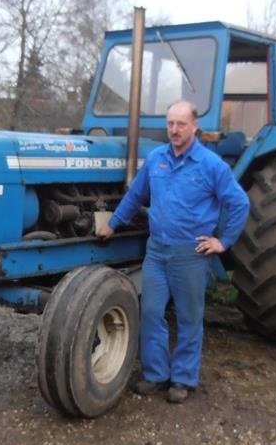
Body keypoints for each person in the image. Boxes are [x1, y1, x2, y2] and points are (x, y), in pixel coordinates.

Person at [96, 100, 250, 403]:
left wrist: (223, 241)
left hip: (189, 254)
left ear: (194, 126)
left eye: (181, 124)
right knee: (152, 312)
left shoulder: (211, 165)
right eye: (170, 124)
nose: (175, 130)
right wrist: (113, 224)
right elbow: (135, 194)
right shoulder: (156, 159)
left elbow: (240, 203)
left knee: (189, 316)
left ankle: (182, 379)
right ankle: (155, 374)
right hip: (157, 251)